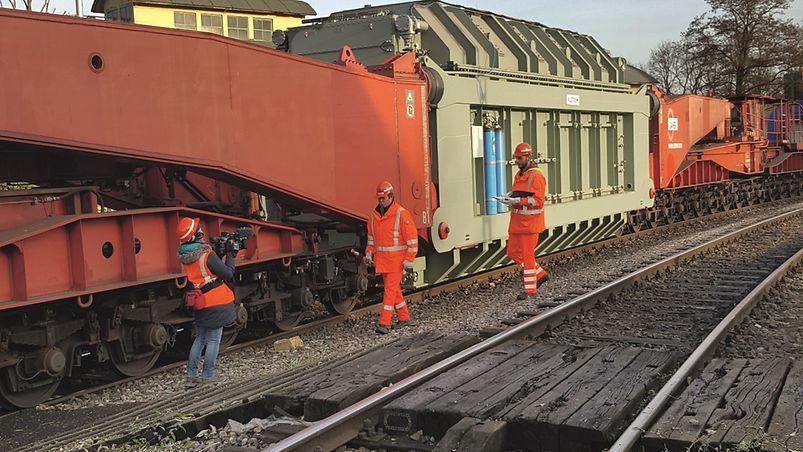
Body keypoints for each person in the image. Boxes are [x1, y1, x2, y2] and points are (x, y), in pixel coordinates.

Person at [176, 217, 237, 386]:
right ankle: (208, 376)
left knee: (200, 339)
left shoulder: (186, 255)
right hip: (215, 301)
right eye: (199, 230)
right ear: (196, 235)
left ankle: (191, 376)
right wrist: (231, 254)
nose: (202, 232)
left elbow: (207, 272)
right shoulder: (206, 255)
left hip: (200, 301)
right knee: (213, 340)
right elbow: (228, 273)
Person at [364, 181, 418, 334]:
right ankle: (404, 317)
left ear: (391, 196)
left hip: (396, 261)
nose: (381, 201)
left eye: (383, 198)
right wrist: (369, 253)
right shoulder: (374, 216)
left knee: (389, 291)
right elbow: (371, 239)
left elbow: (412, 239)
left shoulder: (401, 214)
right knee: (394, 291)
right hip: (382, 260)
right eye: (379, 199)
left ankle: (384, 323)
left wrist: (409, 258)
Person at [501, 143, 548, 301]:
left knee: (528, 257)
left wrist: (517, 200)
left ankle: (530, 290)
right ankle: (540, 274)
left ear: (528, 157)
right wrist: (510, 198)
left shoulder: (537, 176)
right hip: (517, 223)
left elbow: (538, 201)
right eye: (516, 158)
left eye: (520, 158)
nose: (517, 161)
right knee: (512, 253)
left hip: (530, 224)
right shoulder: (519, 175)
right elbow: (520, 194)